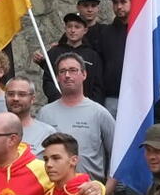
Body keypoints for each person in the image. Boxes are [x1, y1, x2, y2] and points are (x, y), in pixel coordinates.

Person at [36, 53, 117, 185]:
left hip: (89, 194)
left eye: (73, 70)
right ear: (57, 77)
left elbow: (116, 156)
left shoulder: (99, 113)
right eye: (62, 71)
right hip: (53, 192)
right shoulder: (45, 113)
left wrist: (106, 191)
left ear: (84, 74)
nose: (67, 75)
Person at [36, 12, 102, 101]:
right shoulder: (54, 52)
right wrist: (59, 99)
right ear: (65, 28)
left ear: (85, 30)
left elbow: (98, 86)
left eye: (77, 27)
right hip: (59, 105)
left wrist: (91, 105)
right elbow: (48, 81)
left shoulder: (93, 56)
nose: (72, 30)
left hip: (86, 107)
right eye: (69, 26)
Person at [91, 0, 132, 115]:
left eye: (123, 2)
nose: (119, 6)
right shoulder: (105, 32)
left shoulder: (142, 29)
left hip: (138, 96)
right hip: (112, 97)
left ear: (132, 2)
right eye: (115, 3)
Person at [4, 75, 51, 151]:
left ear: (32, 99)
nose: (15, 98)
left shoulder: (46, 133)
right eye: (11, 94)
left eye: (22, 94)